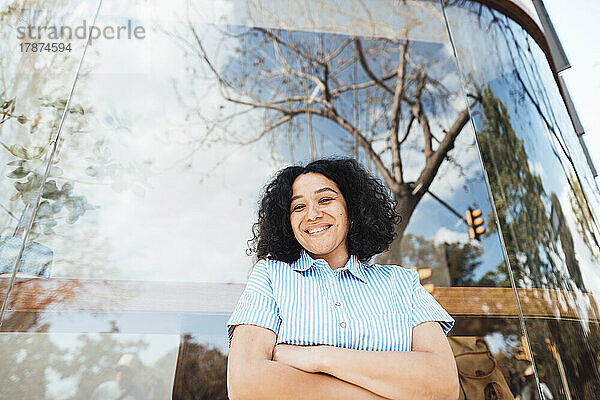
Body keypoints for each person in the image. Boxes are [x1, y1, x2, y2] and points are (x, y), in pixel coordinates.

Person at [227, 158, 458, 400]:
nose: (313, 214)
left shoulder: (402, 283)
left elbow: (443, 385)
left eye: (325, 199)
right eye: (298, 207)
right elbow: (245, 384)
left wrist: (319, 357)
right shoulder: (270, 276)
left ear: (352, 208)